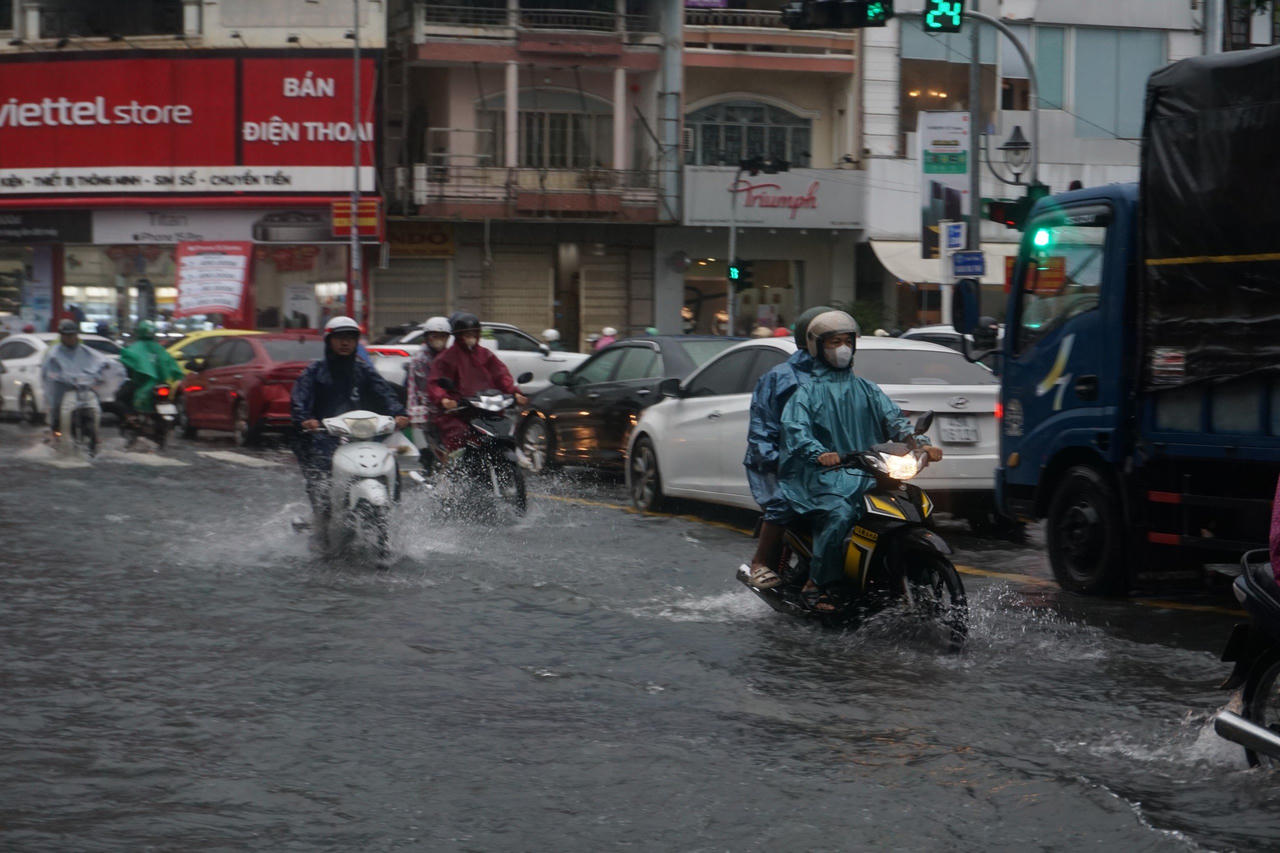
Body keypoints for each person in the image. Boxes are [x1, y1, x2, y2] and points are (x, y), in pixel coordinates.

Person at [779, 310, 943, 612]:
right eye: (834, 342)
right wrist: (819, 453)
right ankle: (818, 584)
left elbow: (897, 421)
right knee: (841, 514)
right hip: (823, 475)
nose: (841, 348)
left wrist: (921, 444)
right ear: (818, 347)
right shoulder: (806, 393)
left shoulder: (868, 389)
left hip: (869, 470)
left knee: (915, 502)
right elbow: (796, 431)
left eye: (846, 341)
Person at [739, 306, 834, 589]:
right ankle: (761, 563)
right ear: (812, 340)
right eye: (832, 340)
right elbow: (761, 426)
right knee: (784, 502)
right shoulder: (780, 377)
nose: (840, 347)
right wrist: (775, 458)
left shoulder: (843, 376)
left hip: (830, 461)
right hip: (782, 463)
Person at [291, 316, 408, 528]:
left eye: (350, 338)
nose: (345, 343)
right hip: (323, 438)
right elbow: (300, 400)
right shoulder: (314, 371)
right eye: (340, 338)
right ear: (329, 341)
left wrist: (399, 413)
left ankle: (393, 515)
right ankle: (322, 524)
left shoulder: (363, 370)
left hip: (360, 436)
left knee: (389, 465)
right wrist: (306, 420)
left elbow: (384, 393)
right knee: (321, 479)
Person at [427, 312, 528, 452]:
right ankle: (457, 470)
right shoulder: (446, 358)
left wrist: (514, 392)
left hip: (487, 409)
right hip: (459, 411)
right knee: (460, 435)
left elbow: (501, 375)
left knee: (506, 433)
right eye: (467, 334)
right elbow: (436, 383)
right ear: (458, 336)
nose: (471, 337)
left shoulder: (485, 354)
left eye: (474, 333)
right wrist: (444, 399)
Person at [41, 319, 109, 438]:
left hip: (83, 389)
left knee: (97, 406)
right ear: (61, 336)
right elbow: (48, 372)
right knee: (56, 410)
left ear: (76, 334)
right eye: (66, 335)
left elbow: (98, 362)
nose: (69, 338)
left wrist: (101, 372)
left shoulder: (85, 351)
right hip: (62, 389)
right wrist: (57, 376)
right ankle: (56, 433)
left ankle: (96, 436)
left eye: (72, 335)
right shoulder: (54, 353)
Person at [406, 316, 452, 464]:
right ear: (427, 338)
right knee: (428, 451)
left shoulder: (450, 356)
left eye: (442, 337)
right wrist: (413, 411)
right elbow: (414, 388)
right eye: (435, 336)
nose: (439, 340)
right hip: (426, 409)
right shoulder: (420, 359)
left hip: (448, 407)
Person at [117, 320, 183, 418]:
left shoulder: (134, 348)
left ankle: (130, 417)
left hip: (141, 383)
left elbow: (127, 363)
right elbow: (168, 363)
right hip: (161, 383)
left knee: (120, 398)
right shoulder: (160, 349)